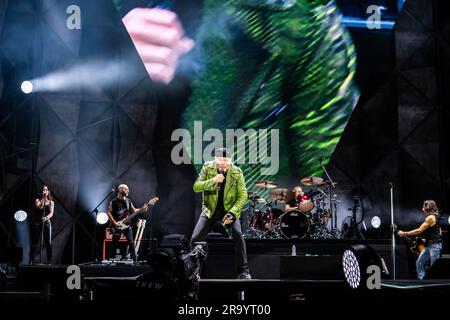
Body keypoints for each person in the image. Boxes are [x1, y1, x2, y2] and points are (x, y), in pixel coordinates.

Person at [191, 148, 251, 279]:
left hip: (229, 211)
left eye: (226, 160)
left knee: (238, 235)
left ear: (230, 161)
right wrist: (212, 181)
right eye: (220, 160)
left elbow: (243, 195)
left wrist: (233, 213)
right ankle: (194, 272)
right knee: (194, 240)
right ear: (215, 160)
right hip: (210, 210)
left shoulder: (237, 172)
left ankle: (244, 271)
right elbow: (196, 187)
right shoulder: (207, 168)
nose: (223, 163)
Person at [397, 200, 443, 280]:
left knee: (434, 267)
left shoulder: (430, 217)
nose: (422, 209)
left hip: (435, 246)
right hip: (429, 245)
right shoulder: (434, 217)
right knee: (419, 263)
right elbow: (439, 232)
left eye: (424, 207)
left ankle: (435, 285)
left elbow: (419, 230)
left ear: (428, 208)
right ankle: (421, 282)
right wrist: (427, 239)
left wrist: (404, 233)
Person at [107, 184, 149, 263]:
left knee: (131, 243)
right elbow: (109, 212)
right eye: (126, 189)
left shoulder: (128, 201)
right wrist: (115, 223)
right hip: (117, 226)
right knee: (114, 244)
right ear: (120, 190)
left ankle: (135, 260)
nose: (128, 191)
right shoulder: (114, 201)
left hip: (127, 226)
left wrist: (142, 209)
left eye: (128, 189)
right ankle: (110, 260)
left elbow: (133, 210)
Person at [31, 185, 54, 264]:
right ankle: (31, 260)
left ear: (48, 191)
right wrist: (43, 199)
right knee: (35, 241)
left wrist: (46, 217)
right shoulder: (37, 200)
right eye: (43, 190)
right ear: (41, 192)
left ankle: (49, 261)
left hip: (47, 222)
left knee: (48, 242)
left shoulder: (51, 202)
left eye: (46, 189)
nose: (45, 191)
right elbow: (39, 207)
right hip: (38, 222)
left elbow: (51, 213)